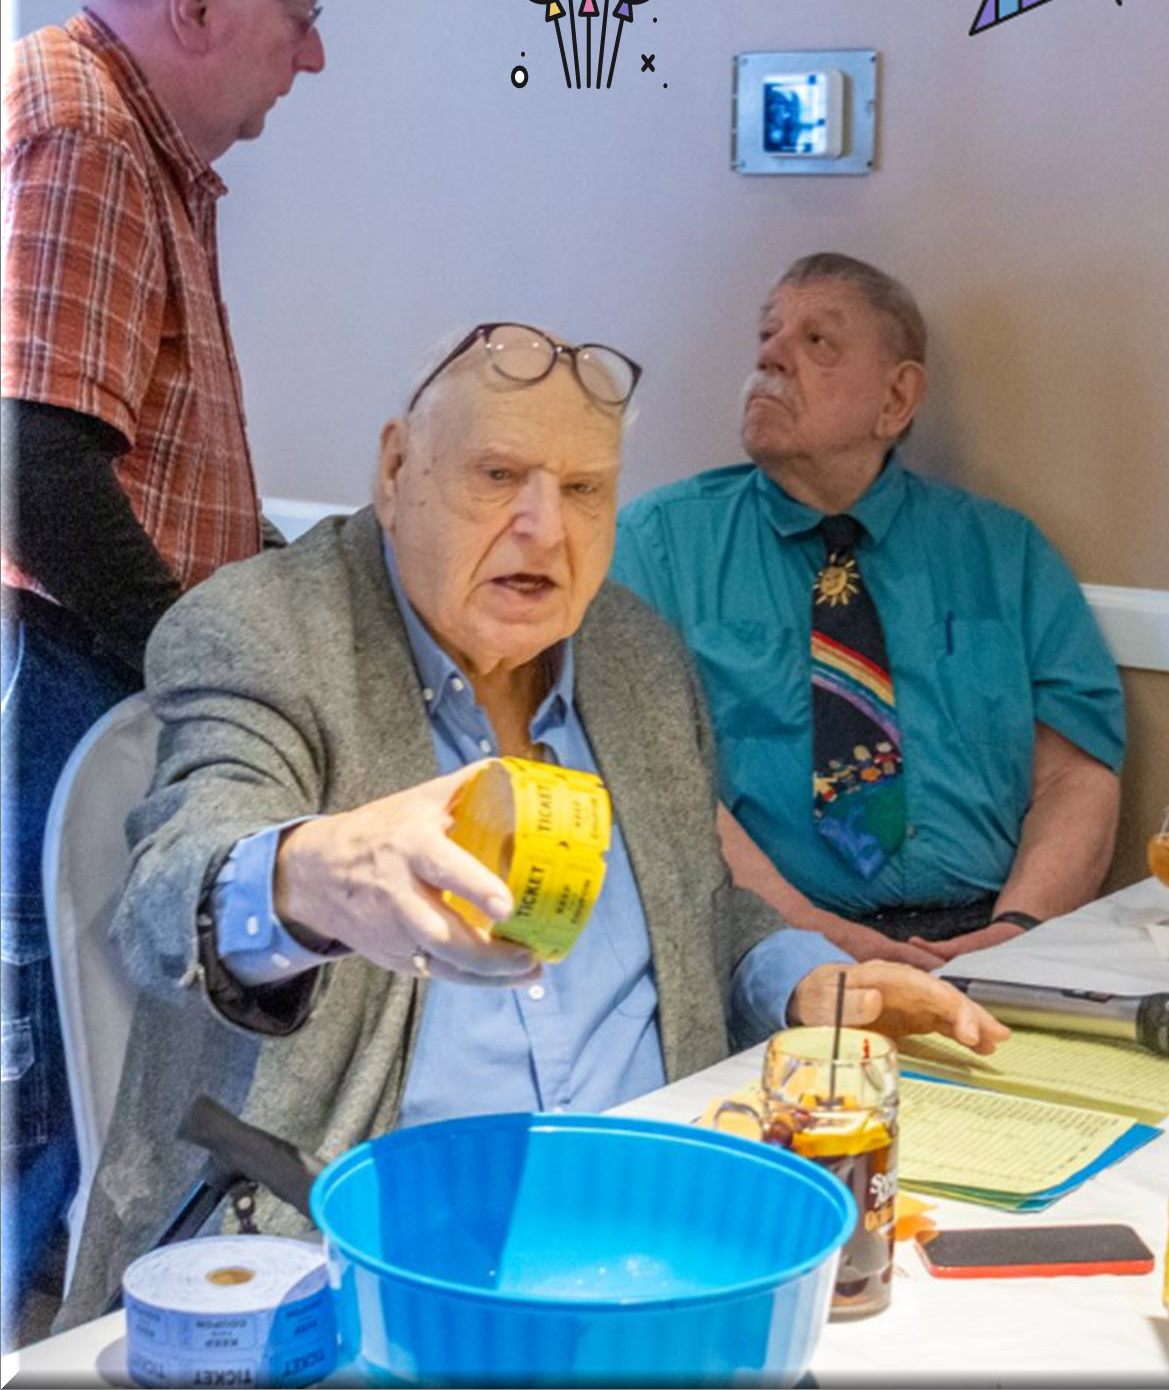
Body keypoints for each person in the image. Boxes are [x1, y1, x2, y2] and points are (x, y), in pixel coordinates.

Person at [53, 323, 1005, 1328]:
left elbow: (691, 907)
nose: (544, 528)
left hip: (652, 1251)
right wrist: (316, 873)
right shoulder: (267, 634)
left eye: (584, 488)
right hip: (357, 1275)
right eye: (498, 474)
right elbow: (174, 886)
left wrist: (805, 980)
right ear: (395, 470)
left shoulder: (635, 653)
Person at [1, 0, 325, 1344]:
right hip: (71, 676)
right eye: (298, 20)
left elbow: (147, 461)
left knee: (96, 1085)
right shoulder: (83, 130)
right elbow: (37, 475)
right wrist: (216, 663)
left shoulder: (138, 144)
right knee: (61, 1096)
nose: (311, 59)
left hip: (104, 668)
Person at [612, 254, 1125, 972]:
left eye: (816, 341)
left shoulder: (1004, 553)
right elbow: (657, 783)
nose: (770, 357)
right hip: (763, 950)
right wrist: (811, 937)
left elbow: (1076, 774)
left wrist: (1015, 935)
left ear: (897, 397)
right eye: (767, 334)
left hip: (989, 940)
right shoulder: (656, 545)